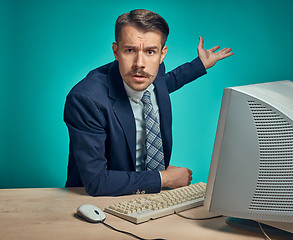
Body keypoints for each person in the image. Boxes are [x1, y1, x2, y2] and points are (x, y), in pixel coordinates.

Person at [64, 9, 233, 196]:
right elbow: (96, 182)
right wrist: (165, 178)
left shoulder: (154, 72)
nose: (140, 63)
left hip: (150, 196)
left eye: (150, 52)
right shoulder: (86, 100)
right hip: (100, 199)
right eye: (130, 50)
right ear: (116, 51)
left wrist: (199, 65)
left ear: (162, 55)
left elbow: (166, 82)